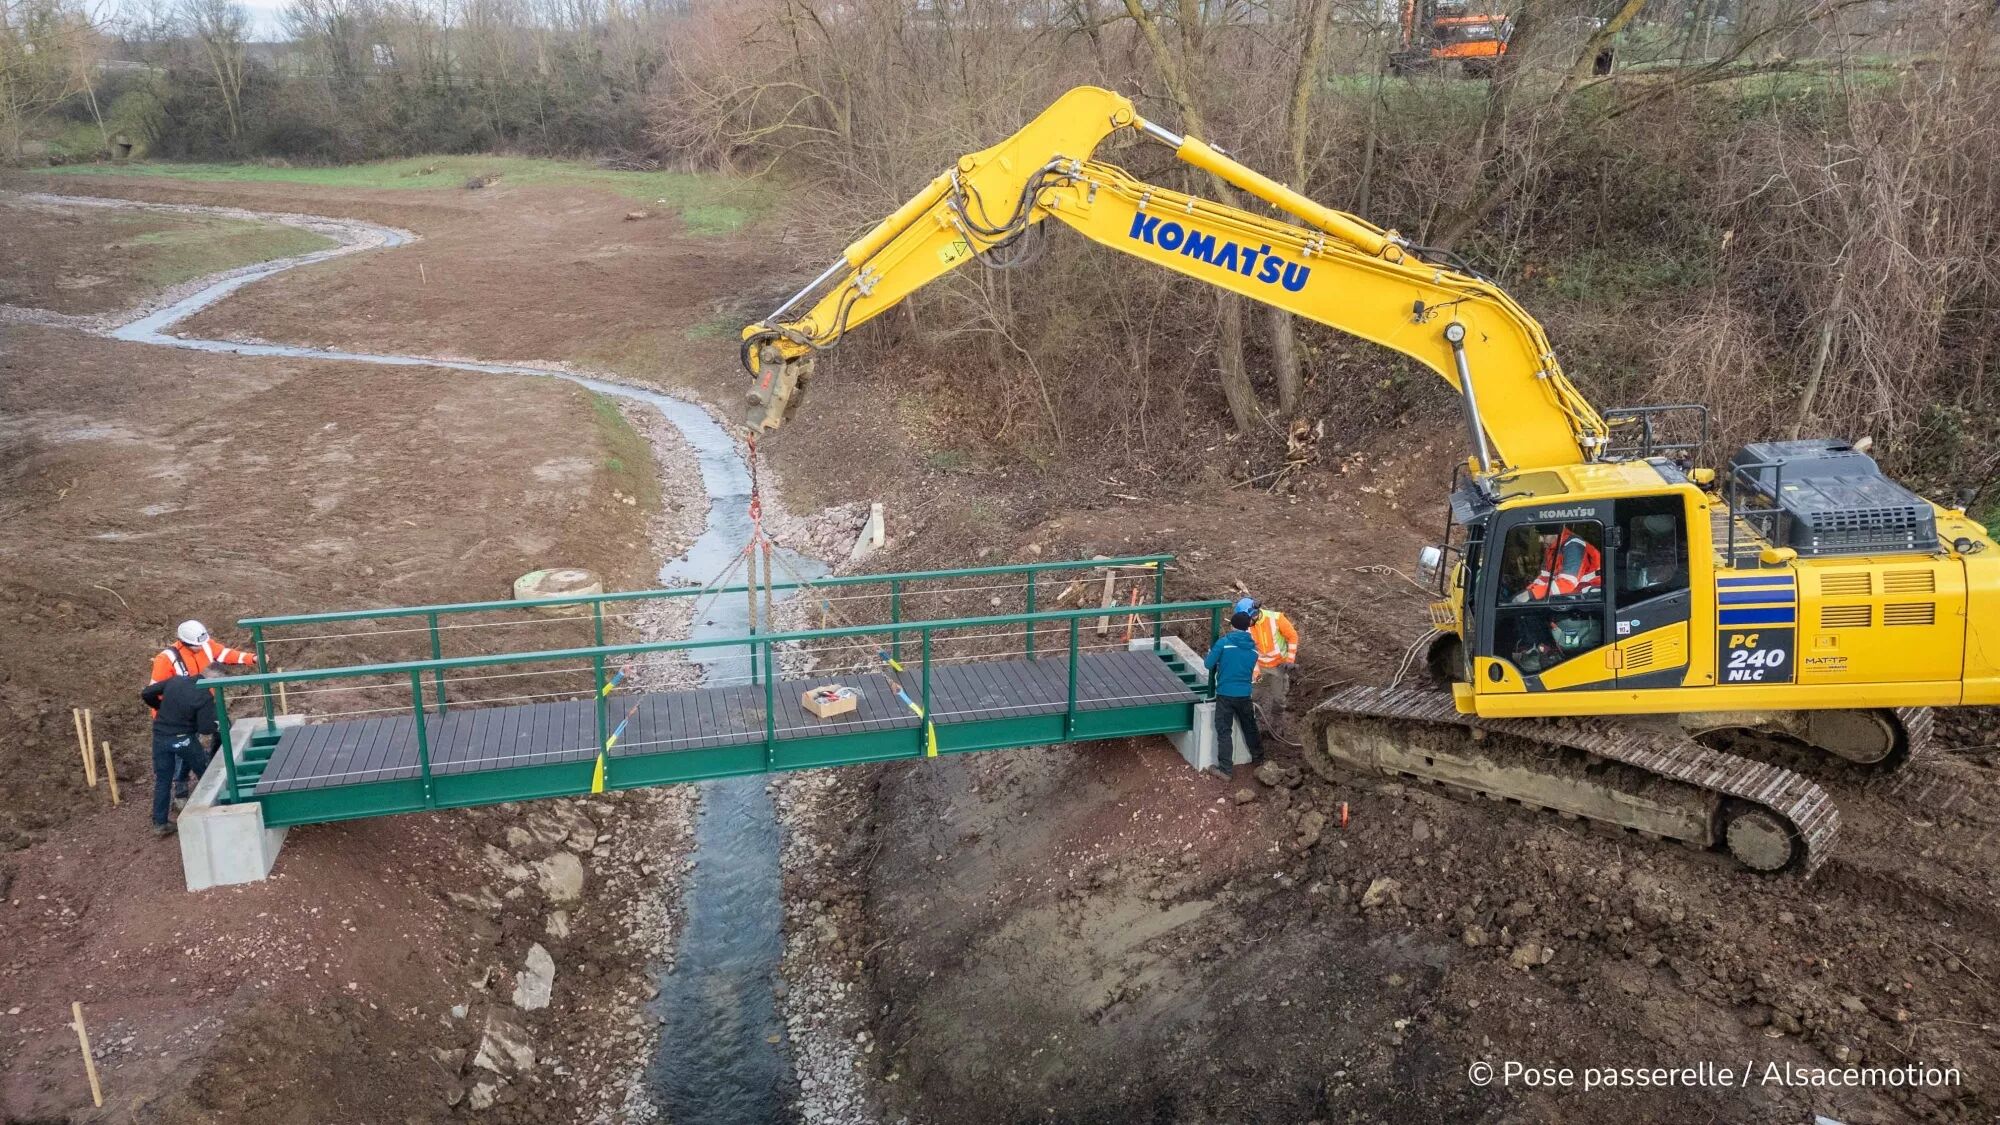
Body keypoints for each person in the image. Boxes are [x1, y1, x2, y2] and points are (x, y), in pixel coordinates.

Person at [147, 620, 255, 801]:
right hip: (180, 714)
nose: (200, 648)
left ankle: (216, 764)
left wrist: (251, 658)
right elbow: (154, 690)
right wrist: (165, 715)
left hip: (204, 702)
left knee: (221, 730)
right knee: (187, 746)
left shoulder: (205, 645)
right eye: (196, 646)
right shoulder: (166, 659)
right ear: (184, 642)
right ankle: (181, 784)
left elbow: (224, 654)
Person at [140, 671, 219, 837]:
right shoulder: (204, 696)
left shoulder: (175, 681)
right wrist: (216, 724)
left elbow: (147, 692)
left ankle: (160, 823)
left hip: (160, 736)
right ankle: (214, 811)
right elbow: (205, 728)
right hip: (184, 739)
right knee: (206, 773)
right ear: (215, 679)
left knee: (163, 780)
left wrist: (158, 706)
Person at [1203, 611, 1263, 779]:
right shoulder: (1253, 649)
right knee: (1250, 726)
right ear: (1247, 628)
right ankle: (1259, 759)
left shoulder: (1224, 643)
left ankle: (1225, 770)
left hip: (1225, 694)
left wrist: (1211, 653)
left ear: (1232, 626)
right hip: (1245, 695)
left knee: (1223, 730)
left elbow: (1208, 664)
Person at [1235, 595, 1300, 718]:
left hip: (1278, 666)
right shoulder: (1245, 626)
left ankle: (1277, 719)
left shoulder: (1276, 618)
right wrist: (1255, 669)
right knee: (1252, 694)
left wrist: (1290, 660)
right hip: (1258, 665)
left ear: (1254, 614)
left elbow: (1292, 636)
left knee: (1279, 697)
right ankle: (1253, 717)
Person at [1514, 525, 1602, 602]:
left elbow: (1567, 583)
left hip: (1589, 596)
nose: (1540, 540)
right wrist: (1528, 591)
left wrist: (1531, 594)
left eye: (1544, 535)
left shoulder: (1574, 546)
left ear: (1556, 534)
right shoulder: (1552, 548)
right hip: (1573, 593)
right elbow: (1545, 577)